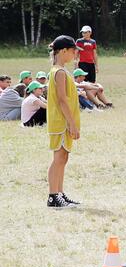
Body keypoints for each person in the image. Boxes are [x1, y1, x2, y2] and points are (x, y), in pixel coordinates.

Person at [46, 35, 83, 208]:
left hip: (64, 121)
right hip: (61, 122)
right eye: (73, 50)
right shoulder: (59, 72)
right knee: (59, 158)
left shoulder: (61, 70)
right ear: (63, 51)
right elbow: (62, 100)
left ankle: (59, 193)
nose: (75, 54)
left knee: (63, 157)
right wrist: (71, 123)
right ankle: (53, 196)